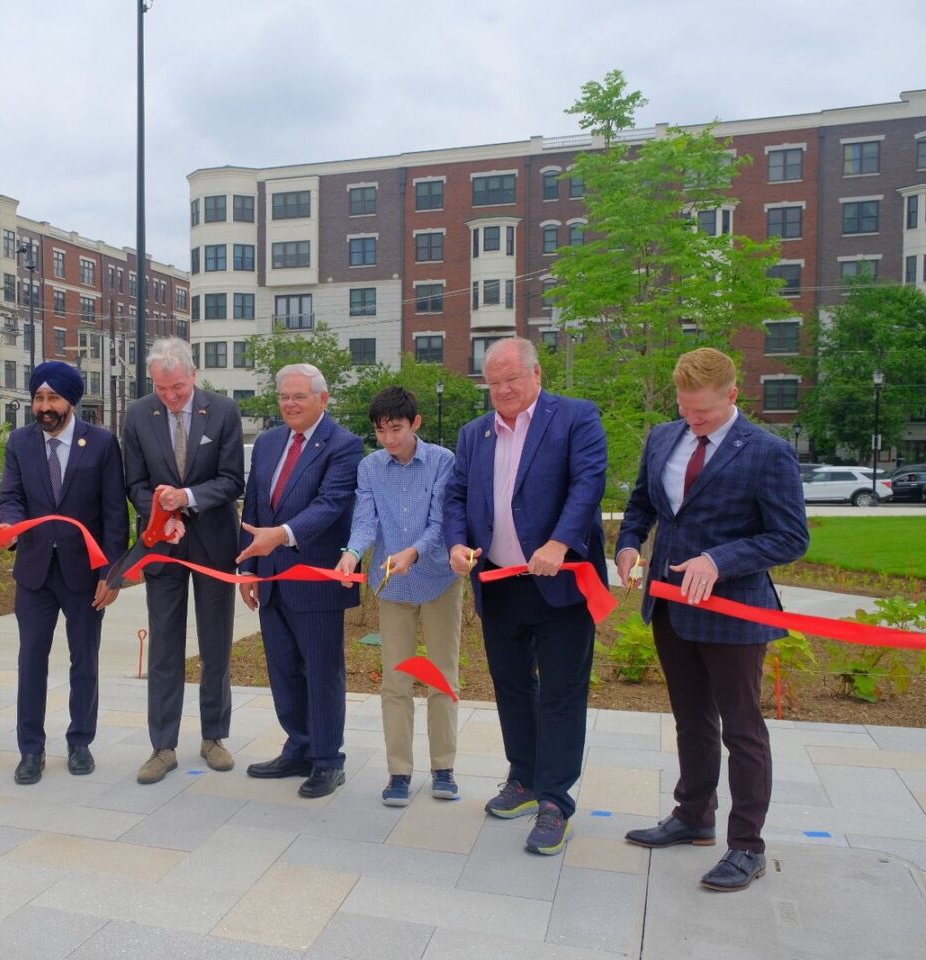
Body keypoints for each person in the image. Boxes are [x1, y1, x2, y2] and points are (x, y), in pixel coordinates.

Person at [617, 348, 808, 892]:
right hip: (671, 608)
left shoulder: (767, 452)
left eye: (702, 413)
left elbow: (791, 537)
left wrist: (720, 560)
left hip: (734, 612)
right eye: (685, 410)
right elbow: (641, 505)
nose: (692, 421)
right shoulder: (662, 437)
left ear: (733, 395)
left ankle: (747, 846)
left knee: (742, 730)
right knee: (691, 719)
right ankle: (693, 815)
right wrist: (628, 546)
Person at [442, 337, 607, 856]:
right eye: (493, 383)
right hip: (497, 581)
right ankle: (524, 778)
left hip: (560, 583)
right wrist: (455, 544)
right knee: (510, 685)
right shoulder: (475, 433)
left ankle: (556, 802)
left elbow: (588, 483)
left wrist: (560, 542)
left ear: (536, 374)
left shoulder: (575, 418)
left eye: (512, 379)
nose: (503, 390)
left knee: (560, 691)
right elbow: (455, 494)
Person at [0, 361, 127, 785]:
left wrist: (112, 573)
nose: (44, 406)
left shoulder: (103, 443)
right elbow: (10, 496)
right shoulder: (20, 442)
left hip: (86, 575)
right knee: (31, 661)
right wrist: (9, 525)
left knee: (84, 661)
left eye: (53, 397)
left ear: (71, 399)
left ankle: (79, 742)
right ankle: (30, 750)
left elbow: (114, 516)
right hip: (34, 572)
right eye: (38, 397)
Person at [121, 337, 245, 785]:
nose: (170, 397)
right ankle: (162, 746)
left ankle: (214, 736)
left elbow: (232, 480)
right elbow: (133, 482)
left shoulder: (224, 411)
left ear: (193, 375)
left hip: (214, 543)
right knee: (165, 647)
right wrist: (159, 512)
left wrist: (187, 499)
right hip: (163, 546)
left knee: (216, 645)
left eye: (177, 387)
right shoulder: (137, 414)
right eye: (161, 388)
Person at [237, 363, 362, 799]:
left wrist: (282, 536)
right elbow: (253, 506)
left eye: (299, 397)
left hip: (316, 581)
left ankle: (328, 761)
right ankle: (299, 747)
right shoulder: (269, 442)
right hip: (269, 579)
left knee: (322, 673)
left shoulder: (343, 446)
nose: (289, 404)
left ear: (322, 400)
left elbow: (331, 505)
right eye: (284, 397)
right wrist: (247, 567)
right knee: (284, 670)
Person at [335, 386, 462, 807]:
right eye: (381, 431)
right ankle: (399, 772)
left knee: (442, 673)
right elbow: (365, 520)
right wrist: (353, 554)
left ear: (416, 423)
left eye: (397, 429)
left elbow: (442, 521)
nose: (389, 439)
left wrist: (415, 551)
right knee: (397, 679)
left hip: (439, 577)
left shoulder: (443, 461)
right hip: (391, 583)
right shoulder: (370, 468)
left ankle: (443, 766)